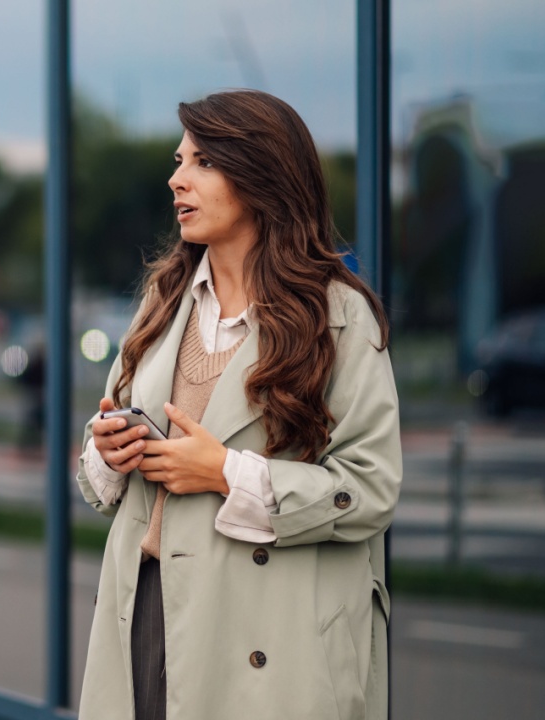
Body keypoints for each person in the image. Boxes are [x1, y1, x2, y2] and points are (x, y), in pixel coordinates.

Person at [76, 90, 400, 720]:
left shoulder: (339, 318)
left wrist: (224, 472)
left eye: (201, 162)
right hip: (147, 607)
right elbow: (98, 460)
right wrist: (108, 452)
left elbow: (371, 489)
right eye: (178, 161)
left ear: (261, 177)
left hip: (272, 632)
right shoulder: (162, 302)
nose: (176, 179)